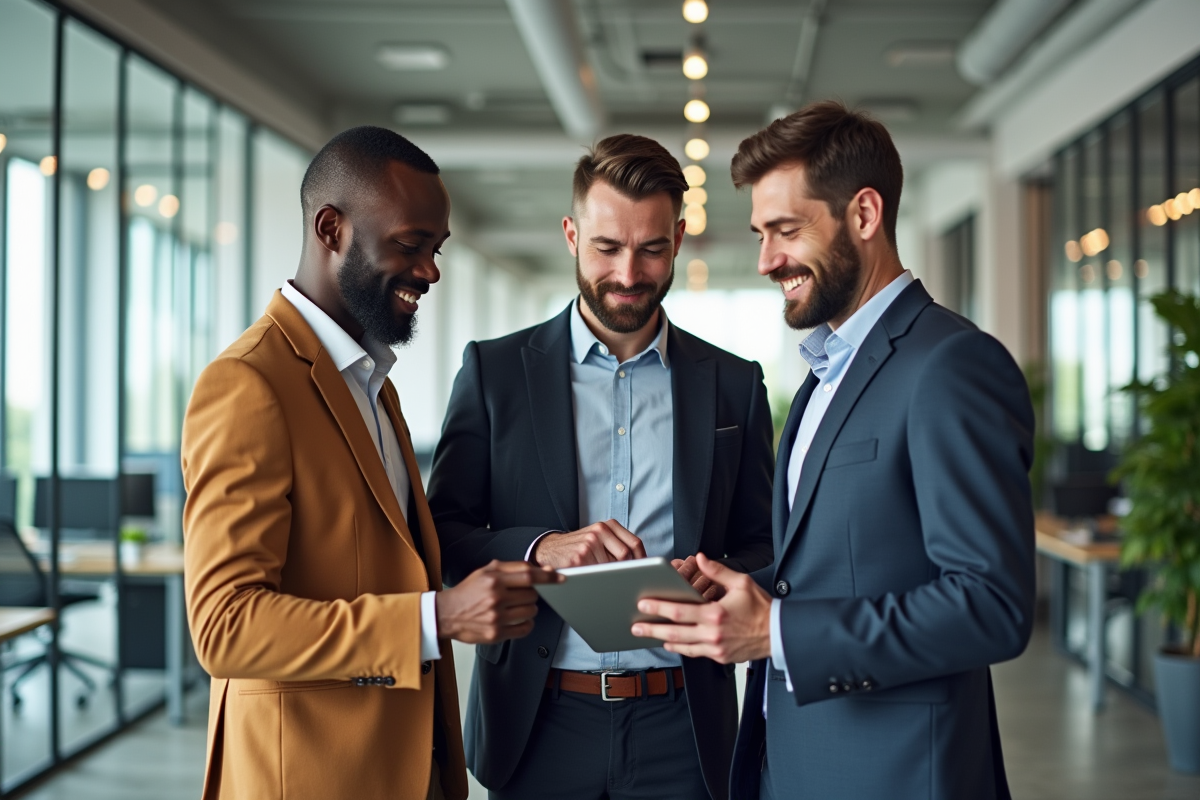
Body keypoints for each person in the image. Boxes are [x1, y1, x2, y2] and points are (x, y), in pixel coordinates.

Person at [632, 101, 1036, 800]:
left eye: (786, 230)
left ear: (865, 215)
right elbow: (836, 564)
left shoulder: (952, 365)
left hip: (897, 774)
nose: (766, 261)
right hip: (795, 760)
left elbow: (990, 604)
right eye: (761, 234)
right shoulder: (826, 368)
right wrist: (746, 590)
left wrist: (776, 632)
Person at [181, 126, 558, 800]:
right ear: (332, 229)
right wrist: (434, 619)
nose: (432, 270)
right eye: (411, 244)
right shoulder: (249, 383)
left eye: (436, 249)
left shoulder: (373, 384)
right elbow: (225, 624)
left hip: (408, 769)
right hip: (308, 776)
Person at [427, 133, 775, 800]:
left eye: (649, 249)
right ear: (570, 235)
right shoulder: (495, 373)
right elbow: (443, 534)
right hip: (538, 720)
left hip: (683, 722)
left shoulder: (735, 385)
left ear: (676, 239)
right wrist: (541, 547)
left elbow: (766, 543)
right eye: (607, 248)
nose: (627, 274)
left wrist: (720, 580)